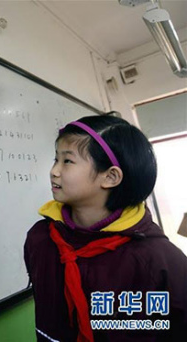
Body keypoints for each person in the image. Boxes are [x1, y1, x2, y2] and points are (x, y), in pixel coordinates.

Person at [24, 115, 187, 341]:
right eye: (55, 159)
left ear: (110, 177)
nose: (54, 171)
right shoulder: (40, 238)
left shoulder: (160, 261)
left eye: (67, 161)